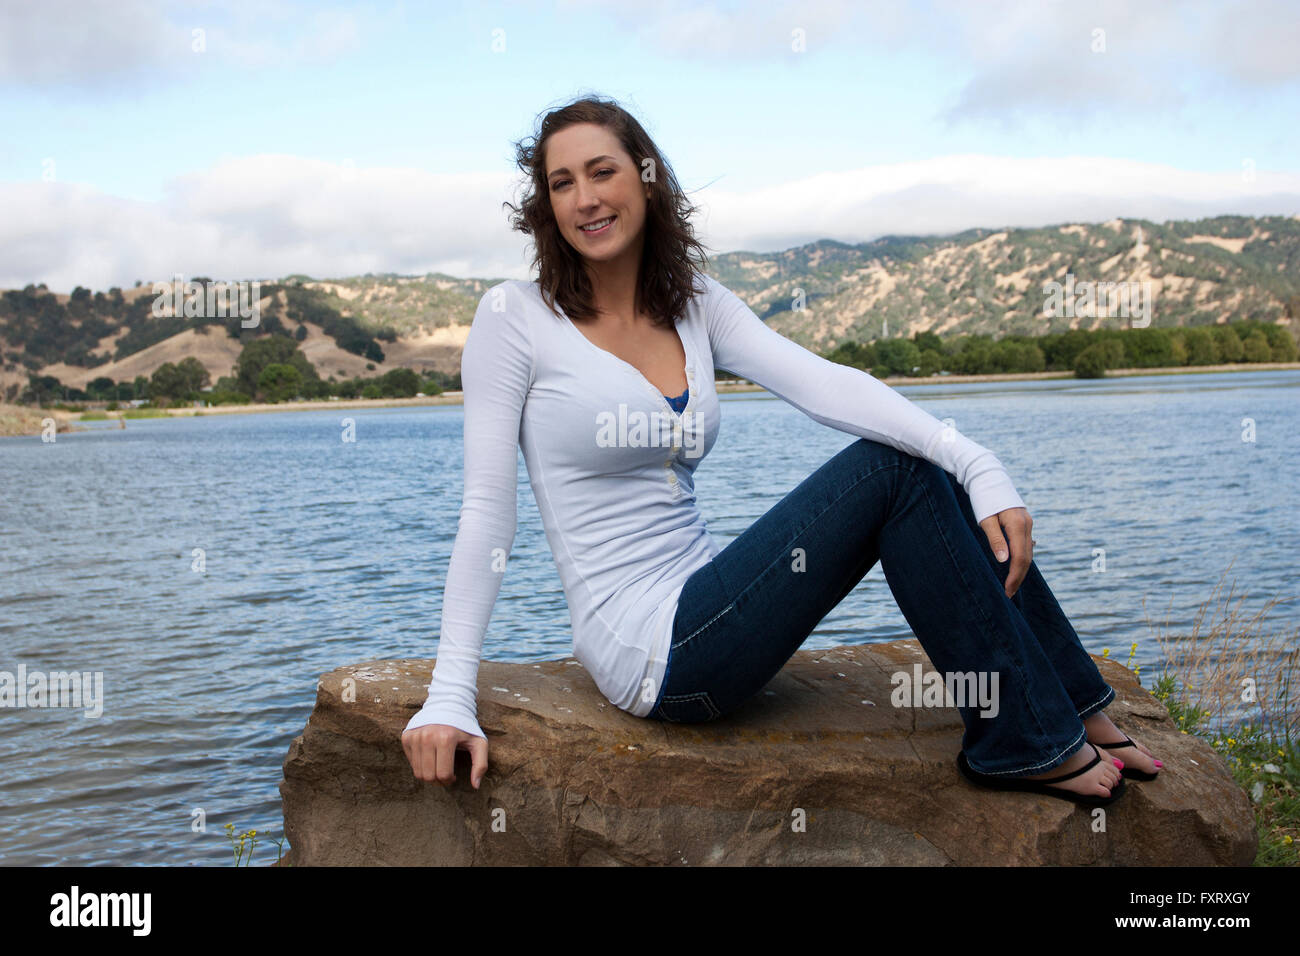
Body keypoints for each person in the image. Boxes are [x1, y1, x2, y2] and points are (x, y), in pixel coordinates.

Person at [400, 95, 1161, 807]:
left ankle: (1073, 704)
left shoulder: (691, 301)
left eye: (602, 171)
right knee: (895, 469)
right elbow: (486, 510)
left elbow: (827, 385)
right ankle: (1025, 743)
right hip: (653, 652)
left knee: (924, 459)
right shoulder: (516, 317)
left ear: (647, 178)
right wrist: (450, 691)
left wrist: (978, 460)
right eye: (562, 183)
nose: (585, 197)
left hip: (708, 600)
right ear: (546, 207)